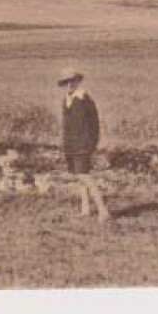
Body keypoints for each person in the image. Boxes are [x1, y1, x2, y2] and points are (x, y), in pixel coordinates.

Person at [59, 68, 110, 222]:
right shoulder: (66, 100)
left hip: (83, 144)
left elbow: (94, 123)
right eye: (66, 82)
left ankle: (103, 210)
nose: (69, 85)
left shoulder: (84, 99)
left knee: (85, 176)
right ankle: (85, 209)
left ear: (77, 81)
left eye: (72, 81)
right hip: (70, 144)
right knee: (79, 177)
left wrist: (92, 143)